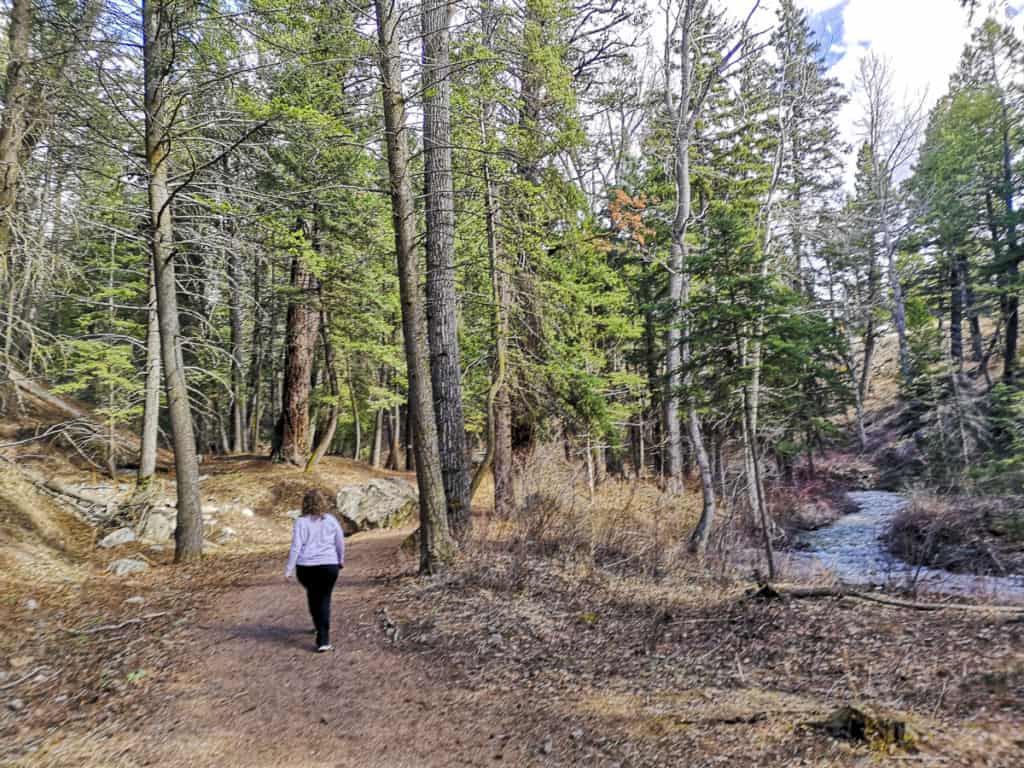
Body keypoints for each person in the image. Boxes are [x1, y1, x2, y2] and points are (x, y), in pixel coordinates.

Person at [284, 489, 345, 652]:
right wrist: (340, 559)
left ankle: (320, 629)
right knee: (324, 598)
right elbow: (340, 541)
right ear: (323, 503)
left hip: (306, 568)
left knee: (313, 594)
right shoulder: (331, 520)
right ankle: (323, 638)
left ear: (305, 504)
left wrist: (289, 568)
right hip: (329, 566)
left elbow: (296, 546)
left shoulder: (301, 522)